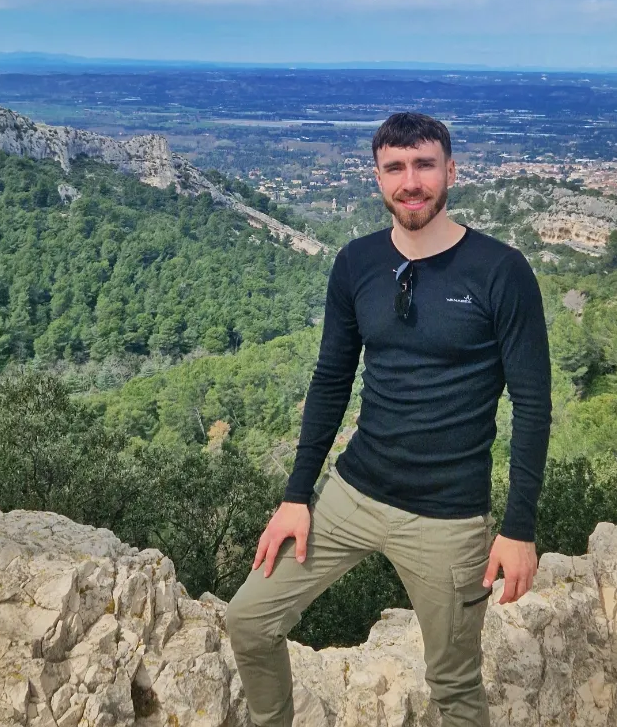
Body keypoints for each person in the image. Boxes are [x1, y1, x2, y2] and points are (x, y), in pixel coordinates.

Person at [227, 112, 552, 727]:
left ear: (451, 170)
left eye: (424, 165)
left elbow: (533, 404)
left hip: (448, 517)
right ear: (377, 177)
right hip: (353, 493)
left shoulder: (500, 271)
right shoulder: (357, 262)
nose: (411, 182)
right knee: (248, 621)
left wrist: (518, 529)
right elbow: (331, 380)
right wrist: (296, 496)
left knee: (454, 687)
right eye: (395, 168)